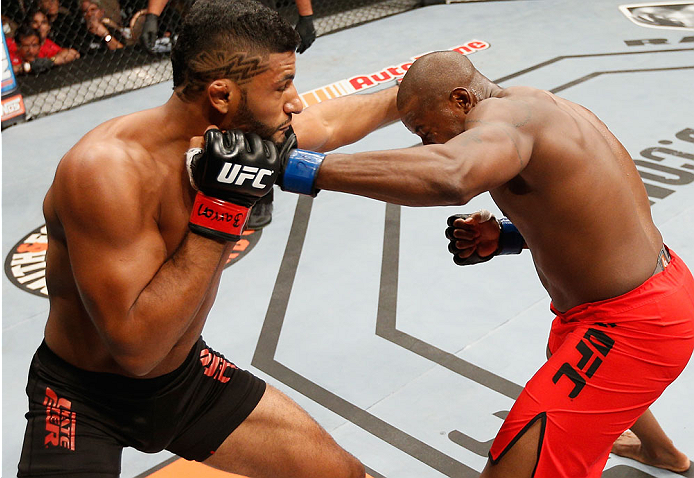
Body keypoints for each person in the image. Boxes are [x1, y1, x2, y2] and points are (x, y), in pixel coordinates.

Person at [252, 50, 694, 477]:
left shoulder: (502, 121)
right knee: (559, 348)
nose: (428, 143)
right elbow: (591, 208)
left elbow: (451, 175)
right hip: (655, 286)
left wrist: (293, 167)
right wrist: (504, 235)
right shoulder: (540, 106)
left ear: (462, 99)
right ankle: (662, 452)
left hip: (633, 328)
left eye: (426, 131)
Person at [16, 0, 399, 476]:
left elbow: (327, 123)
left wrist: (406, 97)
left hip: (186, 378)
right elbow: (135, 351)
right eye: (282, 85)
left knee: (343, 474)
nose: (295, 100)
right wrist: (221, 209)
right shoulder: (105, 171)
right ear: (221, 95)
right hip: (83, 398)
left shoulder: (241, 133)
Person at [140, 0, 316, 56]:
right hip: (212, 24)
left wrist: (306, 16)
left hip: (259, 20)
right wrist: (152, 16)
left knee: (267, 79)